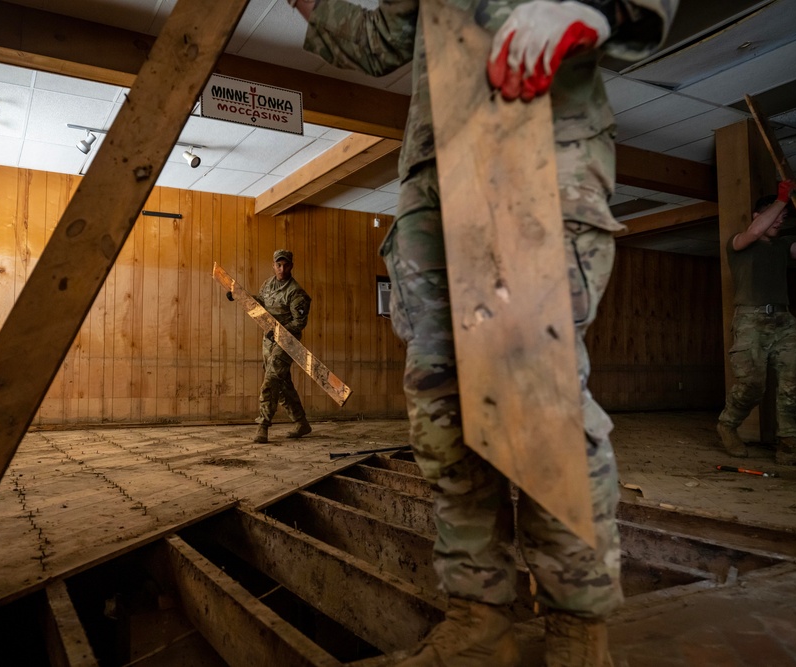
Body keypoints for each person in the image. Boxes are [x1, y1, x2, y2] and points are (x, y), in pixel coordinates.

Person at [290, 0, 676, 665]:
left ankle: (577, 626)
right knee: (442, 403)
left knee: (540, 396)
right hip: (437, 182)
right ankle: (478, 616)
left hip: (538, 152)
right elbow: (387, 37)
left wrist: (588, 10)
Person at [717, 181, 796, 467]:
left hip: (783, 320)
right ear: (759, 215)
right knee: (753, 384)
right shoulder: (739, 243)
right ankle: (728, 425)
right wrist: (783, 199)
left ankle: (789, 444)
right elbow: (755, 232)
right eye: (776, 214)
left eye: (784, 216)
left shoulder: (784, 246)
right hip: (750, 320)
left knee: (794, 380)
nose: (781, 220)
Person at [228, 249, 313, 443]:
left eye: (286, 265)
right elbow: (261, 302)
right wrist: (239, 296)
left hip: (287, 342)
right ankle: (301, 423)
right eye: (278, 265)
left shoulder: (296, 293)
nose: (282, 269)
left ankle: (263, 425)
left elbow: (299, 322)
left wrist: (277, 332)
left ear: (291, 266)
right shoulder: (268, 284)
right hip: (268, 341)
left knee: (271, 380)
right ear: (274, 265)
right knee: (281, 383)